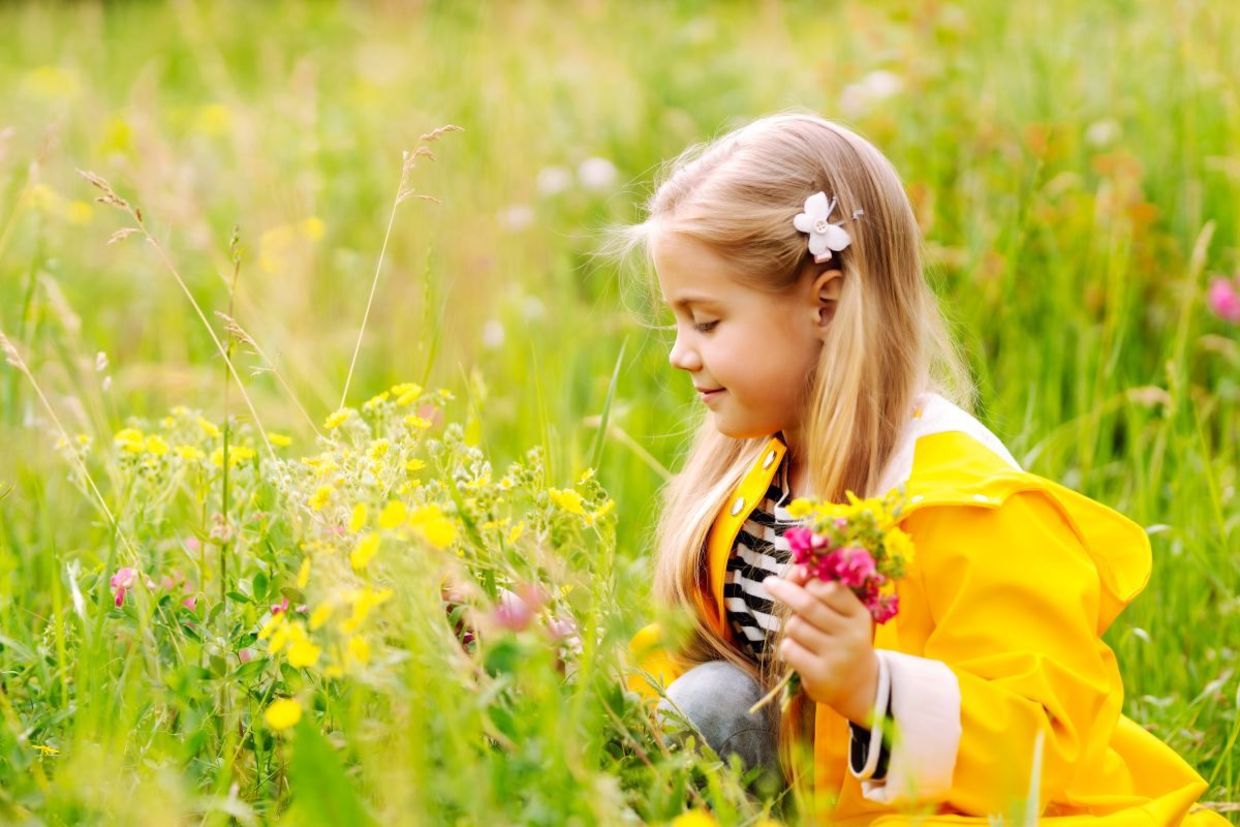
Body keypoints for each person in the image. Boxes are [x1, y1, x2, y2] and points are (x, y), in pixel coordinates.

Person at [612, 112, 1228, 825]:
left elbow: (1040, 742)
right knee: (706, 700)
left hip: (954, 807)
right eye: (678, 322)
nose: (680, 353)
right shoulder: (753, 470)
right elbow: (694, 669)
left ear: (825, 303)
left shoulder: (965, 500)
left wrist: (871, 687)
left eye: (708, 321)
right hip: (817, 797)